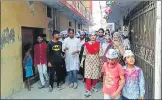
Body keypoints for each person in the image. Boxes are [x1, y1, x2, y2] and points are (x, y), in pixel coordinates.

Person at [81, 32, 103, 97]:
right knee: (88, 76)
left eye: (94, 35)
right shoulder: (86, 44)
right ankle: (88, 89)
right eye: (91, 36)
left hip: (96, 62)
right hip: (88, 62)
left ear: (96, 37)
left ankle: (93, 86)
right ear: (90, 37)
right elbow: (84, 54)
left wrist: (101, 62)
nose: (93, 37)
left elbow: (100, 54)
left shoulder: (99, 44)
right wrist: (82, 62)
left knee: (95, 75)